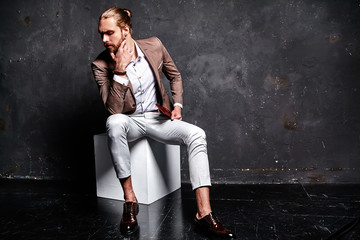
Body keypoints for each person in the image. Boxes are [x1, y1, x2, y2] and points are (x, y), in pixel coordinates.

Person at [91, 7, 235, 238]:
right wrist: (119, 70)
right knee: (115, 123)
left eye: (109, 33)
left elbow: (174, 75)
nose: (104, 39)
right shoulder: (100, 64)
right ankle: (130, 202)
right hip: (130, 122)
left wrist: (177, 105)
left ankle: (204, 212)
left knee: (197, 134)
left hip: (159, 118)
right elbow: (113, 110)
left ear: (125, 30)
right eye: (101, 34)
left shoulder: (154, 45)